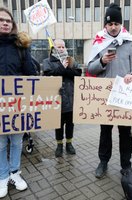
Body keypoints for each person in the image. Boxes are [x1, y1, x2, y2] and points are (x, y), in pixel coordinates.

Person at [87, 3, 132, 179]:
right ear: (105, 25)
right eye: (110, 23)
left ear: (121, 24)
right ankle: (103, 162)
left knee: (125, 133)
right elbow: (90, 67)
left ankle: (126, 165)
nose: (113, 27)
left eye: (116, 24)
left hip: (125, 95)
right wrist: (103, 61)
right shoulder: (99, 42)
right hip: (105, 96)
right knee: (105, 132)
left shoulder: (130, 41)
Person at [0, 7, 37, 198]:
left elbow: (31, 74)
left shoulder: (21, 46)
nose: (5, 23)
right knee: (0, 144)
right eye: (1, 20)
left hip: (16, 105)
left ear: (12, 24)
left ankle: (14, 173)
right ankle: (2, 177)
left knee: (16, 142)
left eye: (8, 20)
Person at [42, 39, 82, 157]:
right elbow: (47, 75)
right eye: (59, 47)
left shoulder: (71, 60)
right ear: (54, 48)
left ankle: (69, 143)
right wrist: (61, 69)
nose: (61, 49)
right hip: (56, 99)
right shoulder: (47, 61)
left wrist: (66, 69)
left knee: (70, 123)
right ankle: (59, 145)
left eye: (63, 47)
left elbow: (78, 74)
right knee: (58, 124)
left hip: (71, 98)